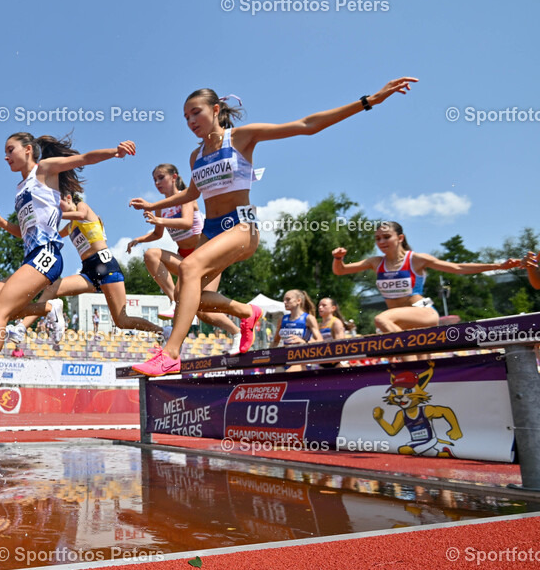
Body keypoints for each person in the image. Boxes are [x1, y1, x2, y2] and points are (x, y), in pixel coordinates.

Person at [129, 78, 420, 377]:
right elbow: (192, 194)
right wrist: (154, 206)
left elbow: (307, 125)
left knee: (189, 269)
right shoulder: (196, 156)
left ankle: (171, 354)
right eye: (186, 117)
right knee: (194, 299)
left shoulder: (242, 137)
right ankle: (248, 312)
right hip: (212, 230)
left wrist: (368, 101)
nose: (190, 121)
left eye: (196, 113)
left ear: (215, 110)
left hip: (241, 227)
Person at [0, 133, 135, 412]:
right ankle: (49, 307)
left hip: (48, 255)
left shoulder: (44, 169)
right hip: (32, 256)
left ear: (28, 150)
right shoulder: (20, 188)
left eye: (10, 150)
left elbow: (84, 158)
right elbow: (24, 232)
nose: (5, 156)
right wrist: (2, 222)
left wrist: (115, 151)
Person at [4, 193, 163, 346]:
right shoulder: (70, 226)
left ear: (68, 197)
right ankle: (21, 328)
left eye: (57, 203)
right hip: (88, 271)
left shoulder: (82, 207)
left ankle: (161, 331)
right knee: (52, 288)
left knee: (122, 321)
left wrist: (53, 213)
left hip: (106, 266)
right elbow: (50, 236)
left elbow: (80, 215)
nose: (55, 207)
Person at [127, 164, 242, 353]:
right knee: (151, 254)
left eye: (160, 177)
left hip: (206, 257)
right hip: (184, 259)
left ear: (174, 177)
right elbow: (157, 234)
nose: (157, 183)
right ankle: (175, 300)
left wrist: (160, 220)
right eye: (154, 179)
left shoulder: (187, 196)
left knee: (203, 310)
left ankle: (236, 330)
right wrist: (139, 240)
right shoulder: (161, 208)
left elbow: (187, 223)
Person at [332, 221, 520, 333]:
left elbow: (457, 267)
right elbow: (340, 270)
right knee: (411, 359)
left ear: (400, 238)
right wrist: (338, 258)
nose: (381, 242)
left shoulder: (416, 259)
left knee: (381, 321)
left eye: (386, 237)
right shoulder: (375, 262)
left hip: (421, 309)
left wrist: (497, 265)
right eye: (378, 238)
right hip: (399, 319)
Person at [273, 290, 322, 372]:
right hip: (284, 360)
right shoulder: (282, 319)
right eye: (284, 300)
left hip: (300, 360)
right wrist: (269, 355)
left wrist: (304, 343)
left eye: (288, 299)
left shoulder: (308, 318)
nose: (284, 302)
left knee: (288, 375)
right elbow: (275, 341)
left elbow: (320, 341)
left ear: (299, 301)